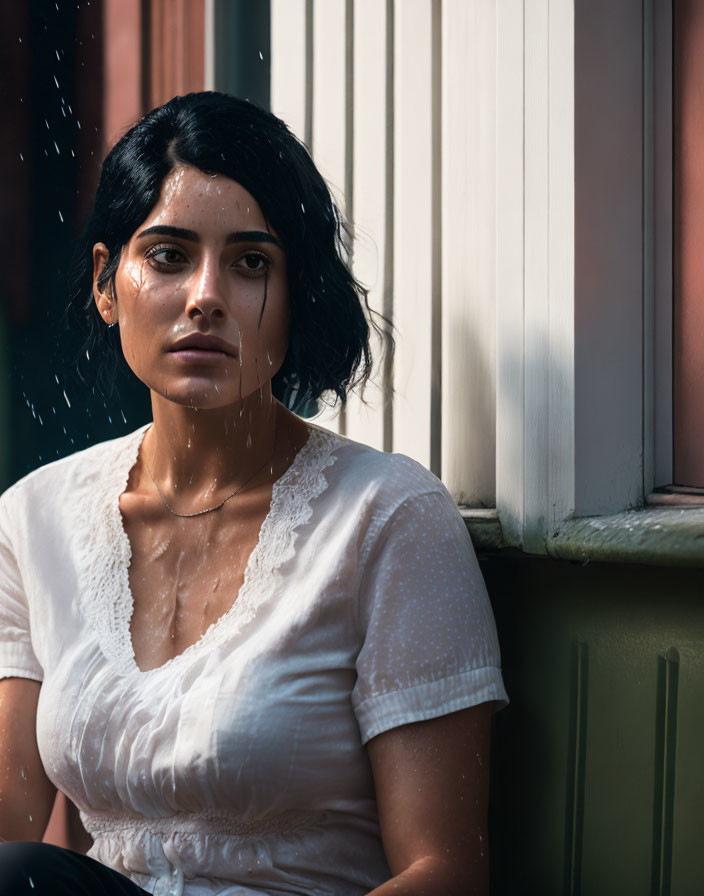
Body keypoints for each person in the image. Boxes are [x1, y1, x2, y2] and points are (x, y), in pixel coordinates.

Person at [0, 92, 508, 896]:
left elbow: (445, 871)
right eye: (168, 256)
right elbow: (8, 819)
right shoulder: (32, 520)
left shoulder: (387, 519)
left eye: (249, 263)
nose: (206, 296)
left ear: (293, 299)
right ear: (107, 284)